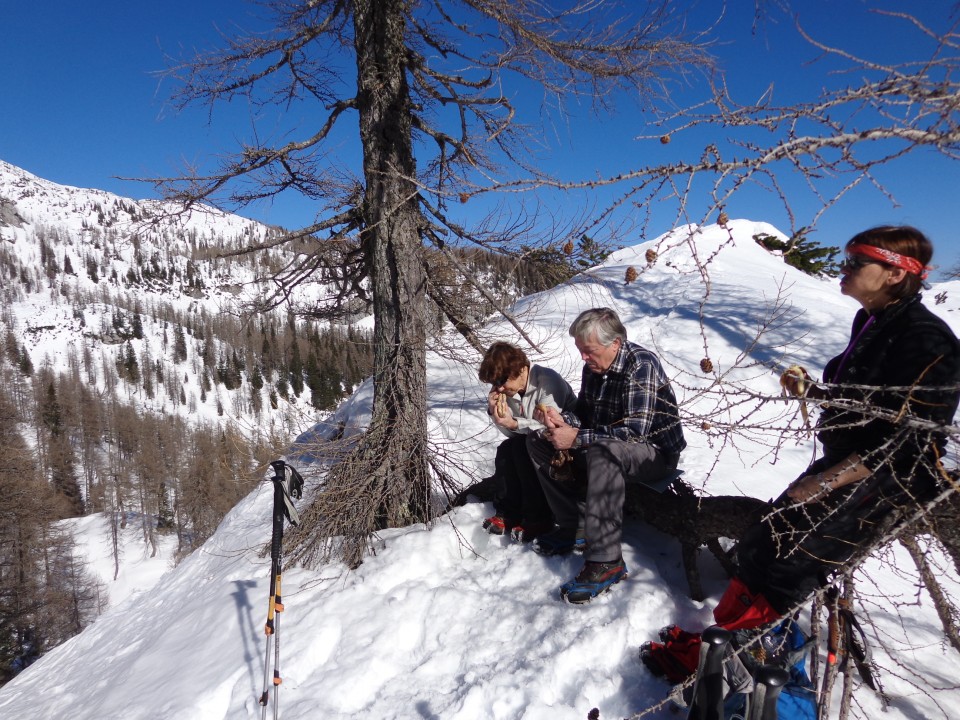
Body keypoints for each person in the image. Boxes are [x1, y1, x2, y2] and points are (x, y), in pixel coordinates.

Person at [642, 225, 960, 679]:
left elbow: (907, 442)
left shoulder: (928, 340)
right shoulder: (872, 321)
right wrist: (814, 390)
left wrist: (826, 482)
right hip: (846, 463)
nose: (843, 268)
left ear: (894, 273)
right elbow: (869, 405)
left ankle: (740, 661)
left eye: (857, 262)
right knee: (761, 542)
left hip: (885, 481)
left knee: (792, 565)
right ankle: (723, 640)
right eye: (845, 258)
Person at [529, 307, 686, 603]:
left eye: (588, 351)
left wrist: (575, 438)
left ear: (614, 343)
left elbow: (635, 432)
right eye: (581, 351)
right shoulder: (595, 368)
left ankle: (607, 559)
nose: (583, 359)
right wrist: (561, 422)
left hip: (656, 453)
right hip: (612, 444)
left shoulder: (641, 365)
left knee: (603, 450)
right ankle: (573, 524)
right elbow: (587, 415)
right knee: (537, 441)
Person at [475, 342, 578, 542]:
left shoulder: (547, 382)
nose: (500, 388)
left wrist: (513, 423)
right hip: (531, 442)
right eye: (495, 383)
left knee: (524, 448)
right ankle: (508, 512)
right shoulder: (511, 392)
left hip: (564, 446)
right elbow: (514, 433)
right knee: (507, 449)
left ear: (521, 369)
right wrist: (497, 416)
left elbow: (548, 428)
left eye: (503, 380)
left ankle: (538, 517)